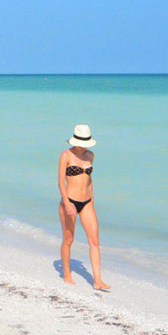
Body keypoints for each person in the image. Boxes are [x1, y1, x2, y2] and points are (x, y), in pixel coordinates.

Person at [58, 124, 110, 290]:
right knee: (68, 239)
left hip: (87, 202)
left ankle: (97, 280)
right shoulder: (66, 155)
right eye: (80, 142)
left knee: (94, 240)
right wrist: (66, 203)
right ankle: (66, 274)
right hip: (69, 201)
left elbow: (89, 180)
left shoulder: (90, 156)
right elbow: (60, 182)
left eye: (85, 143)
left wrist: (92, 201)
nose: (82, 146)